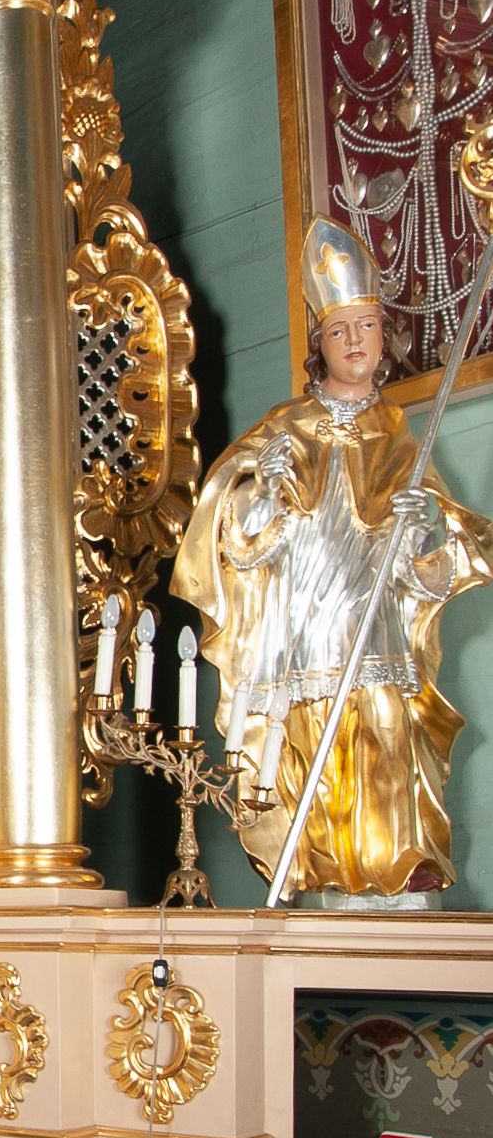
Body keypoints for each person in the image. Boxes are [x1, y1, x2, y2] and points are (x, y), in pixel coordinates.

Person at [174, 214, 493, 898]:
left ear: (382, 335)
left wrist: (425, 525)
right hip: (307, 630)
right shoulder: (284, 427)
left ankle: (398, 872)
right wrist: (264, 495)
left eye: (366, 326)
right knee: (312, 752)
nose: (355, 341)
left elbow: (426, 561)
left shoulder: (397, 431)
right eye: (340, 330)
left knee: (387, 734)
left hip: (375, 628)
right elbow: (236, 534)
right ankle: (324, 871)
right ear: (319, 342)